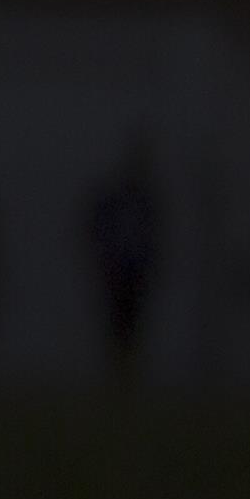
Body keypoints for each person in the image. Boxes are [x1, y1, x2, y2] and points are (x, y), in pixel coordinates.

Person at [80, 134, 165, 380]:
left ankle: (128, 375)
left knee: (133, 328)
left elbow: (153, 238)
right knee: (117, 328)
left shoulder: (145, 201)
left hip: (135, 272)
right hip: (117, 272)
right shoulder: (116, 199)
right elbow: (95, 228)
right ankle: (117, 375)